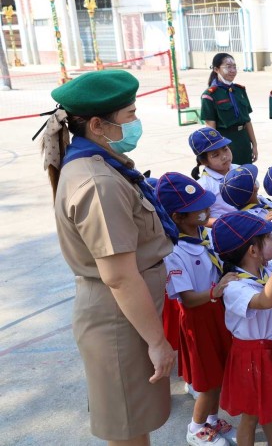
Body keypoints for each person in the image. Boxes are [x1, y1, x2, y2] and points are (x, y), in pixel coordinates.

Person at [43, 70, 176, 444]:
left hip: (127, 314)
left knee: (134, 421)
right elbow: (119, 276)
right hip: (121, 321)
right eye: (130, 115)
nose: (136, 122)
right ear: (97, 125)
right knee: (128, 427)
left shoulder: (102, 164)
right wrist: (156, 341)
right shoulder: (99, 183)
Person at [156, 172, 238, 446]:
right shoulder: (175, 252)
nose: (206, 210)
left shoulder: (205, 235)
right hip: (198, 319)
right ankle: (195, 428)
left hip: (216, 312)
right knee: (208, 381)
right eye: (197, 208)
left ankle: (212, 421)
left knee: (220, 373)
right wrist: (216, 291)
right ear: (177, 217)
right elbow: (188, 299)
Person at [212, 212, 272, 446]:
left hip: (271, 349)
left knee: (270, 407)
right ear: (253, 250)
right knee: (251, 415)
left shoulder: (266, 270)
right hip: (251, 357)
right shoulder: (234, 286)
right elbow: (264, 301)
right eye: (269, 238)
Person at [200, 53, 258, 165]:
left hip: (244, 141)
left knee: (247, 172)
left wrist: (254, 144)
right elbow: (211, 128)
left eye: (234, 67)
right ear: (216, 69)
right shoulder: (209, 95)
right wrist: (217, 152)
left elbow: (247, 121)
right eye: (228, 67)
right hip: (225, 144)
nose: (232, 70)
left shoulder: (240, 90)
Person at [190, 127, 238, 219]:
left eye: (225, 149)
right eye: (215, 155)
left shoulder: (239, 169)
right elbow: (202, 219)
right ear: (204, 161)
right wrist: (227, 223)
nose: (224, 156)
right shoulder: (204, 186)